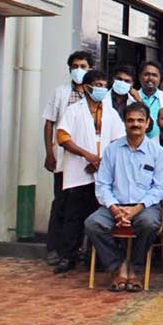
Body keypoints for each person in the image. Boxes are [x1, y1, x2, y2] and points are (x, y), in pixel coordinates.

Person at [84, 103, 163, 292]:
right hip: (115, 205)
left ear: (148, 123)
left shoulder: (157, 152)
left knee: (148, 223)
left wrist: (136, 209)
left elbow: (161, 188)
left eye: (140, 120)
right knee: (93, 223)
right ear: (124, 123)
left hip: (144, 207)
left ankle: (135, 269)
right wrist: (114, 208)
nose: (135, 124)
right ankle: (119, 266)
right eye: (130, 120)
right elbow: (103, 184)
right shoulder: (112, 150)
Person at [54, 69, 124, 273]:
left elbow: (118, 140)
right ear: (86, 87)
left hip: (102, 172)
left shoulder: (110, 112)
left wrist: (101, 161)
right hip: (78, 170)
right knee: (74, 216)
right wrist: (88, 155)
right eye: (98, 85)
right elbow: (63, 138)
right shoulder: (73, 110)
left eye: (104, 85)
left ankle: (96, 258)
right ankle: (68, 256)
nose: (102, 89)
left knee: (99, 217)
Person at [42, 49, 94, 266]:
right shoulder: (60, 92)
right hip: (64, 158)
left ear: (90, 69)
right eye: (74, 66)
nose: (78, 70)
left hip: (88, 161)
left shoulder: (95, 95)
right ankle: (54, 248)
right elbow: (49, 123)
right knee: (61, 203)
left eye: (83, 66)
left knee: (83, 205)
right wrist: (49, 152)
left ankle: (76, 248)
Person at [137, 61, 163, 138]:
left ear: (159, 78)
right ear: (140, 76)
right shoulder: (131, 98)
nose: (150, 78)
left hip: (160, 145)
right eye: (146, 74)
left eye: (154, 75)